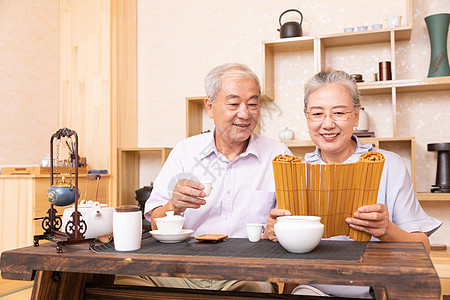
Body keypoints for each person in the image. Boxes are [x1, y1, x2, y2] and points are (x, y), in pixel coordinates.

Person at [264, 70, 442, 298]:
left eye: (339, 112)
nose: (327, 124)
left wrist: (387, 230)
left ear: (356, 116)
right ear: (307, 117)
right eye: (317, 113)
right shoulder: (295, 172)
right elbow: (280, 252)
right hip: (310, 289)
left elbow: (423, 248)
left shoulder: (388, 164)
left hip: (373, 289)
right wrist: (272, 232)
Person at [115, 63, 291, 293]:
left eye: (253, 104)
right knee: (124, 281)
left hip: (245, 273)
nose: (245, 113)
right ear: (210, 106)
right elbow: (155, 222)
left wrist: (277, 229)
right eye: (233, 103)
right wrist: (173, 206)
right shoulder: (185, 152)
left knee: (255, 290)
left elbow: (290, 221)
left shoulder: (278, 155)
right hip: (179, 270)